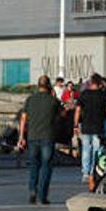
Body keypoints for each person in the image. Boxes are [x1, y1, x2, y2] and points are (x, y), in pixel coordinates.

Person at [18, 76, 62, 204]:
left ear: (38, 86)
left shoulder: (30, 100)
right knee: (46, 166)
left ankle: (32, 189)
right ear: (49, 86)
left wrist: (21, 137)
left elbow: (23, 118)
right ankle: (42, 195)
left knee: (34, 165)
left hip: (32, 137)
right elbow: (62, 114)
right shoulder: (53, 101)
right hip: (48, 137)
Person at [74, 75, 106, 183]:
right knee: (97, 149)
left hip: (86, 125)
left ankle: (85, 173)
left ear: (90, 83)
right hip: (98, 126)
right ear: (99, 83)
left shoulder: (84, 94)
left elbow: (78, 110)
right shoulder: (104, 95)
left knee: (86, 149)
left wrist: (75, 125)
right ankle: (93, 171)